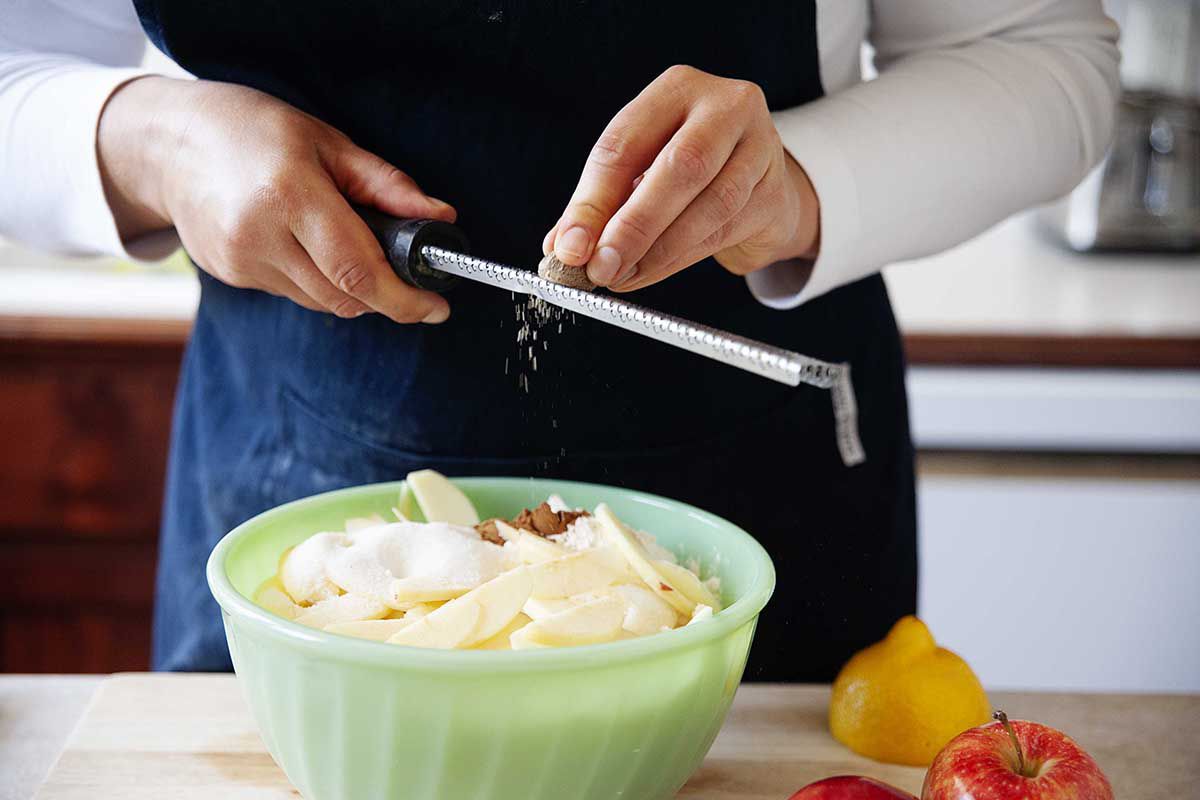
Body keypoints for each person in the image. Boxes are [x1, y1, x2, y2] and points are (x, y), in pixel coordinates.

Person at [0, 1, 1119, 679]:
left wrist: (797, 179)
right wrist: (146, 140)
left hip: (762, 494)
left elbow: (1043, 53)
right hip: (295, 492)